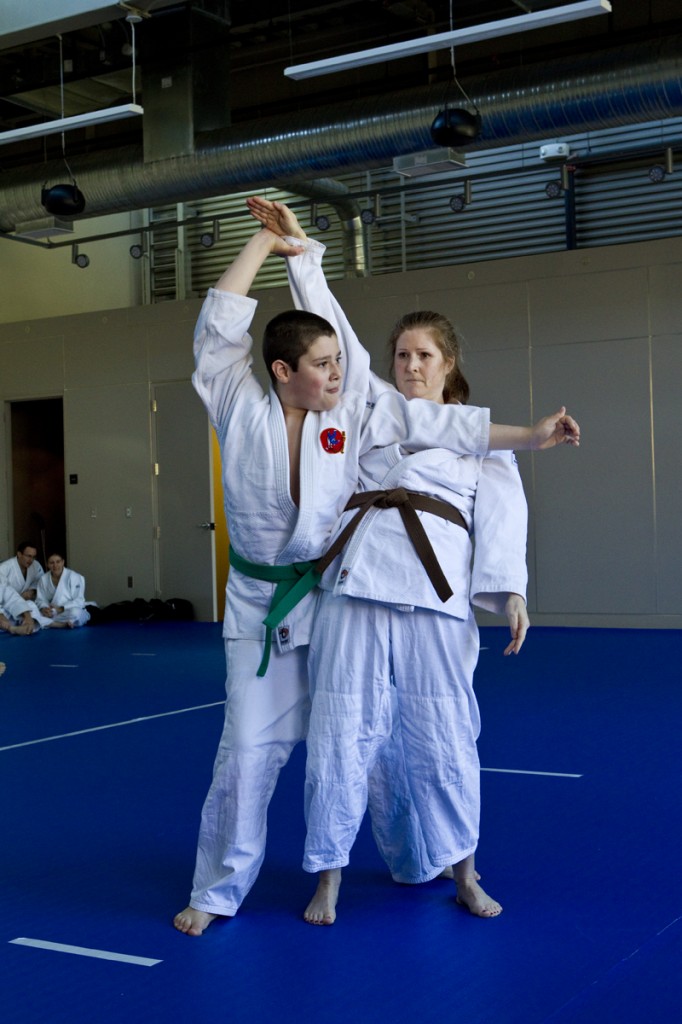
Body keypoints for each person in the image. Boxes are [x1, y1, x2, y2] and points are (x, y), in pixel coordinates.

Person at [173, 211, 576, 937]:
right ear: (286, 372)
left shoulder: (382, 417)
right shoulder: (306, 407)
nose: (406, 365)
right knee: (278, 746)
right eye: (400, 354)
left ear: (448, 364)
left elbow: (463, 454)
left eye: (425, 354)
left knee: (414, 738)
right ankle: (244, 884)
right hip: (300, 595)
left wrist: (527, 444)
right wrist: (283, 251)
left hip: (381, 589)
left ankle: (434, 861)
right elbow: (236, 336)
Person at [36, 552, 91, 628]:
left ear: (63, 562)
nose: (55, 565)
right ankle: (62, 624)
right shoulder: (43, 579)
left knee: (75, 613)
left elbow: (79, 600)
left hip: (68, 611)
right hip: (52, 612)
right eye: (52, 563)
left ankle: (50, 623)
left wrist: (61, 608)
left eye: (58, 562)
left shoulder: (74, 576)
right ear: (47, 564)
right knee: (33, 612)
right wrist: (44, 609)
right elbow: (40, 599)